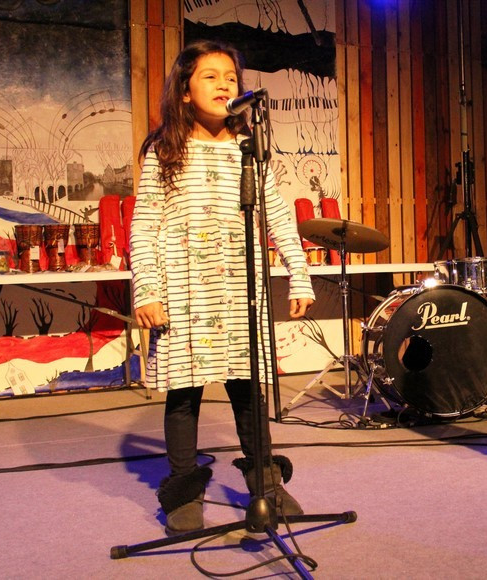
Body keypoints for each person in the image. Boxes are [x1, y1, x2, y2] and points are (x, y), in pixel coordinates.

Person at [129, 39, 315, 536]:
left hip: (239, 290)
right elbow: (144, 225)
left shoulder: (249, 148)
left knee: (248, 389)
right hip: (183, 292)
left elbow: (278, 216)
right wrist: (147, 290)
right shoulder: (164, 150)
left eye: (230, 77)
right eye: (210, 76)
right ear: (184, 90)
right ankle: (184, 490)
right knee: (184, 393)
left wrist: (299, 274)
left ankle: (265, 484)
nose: (223, 84)